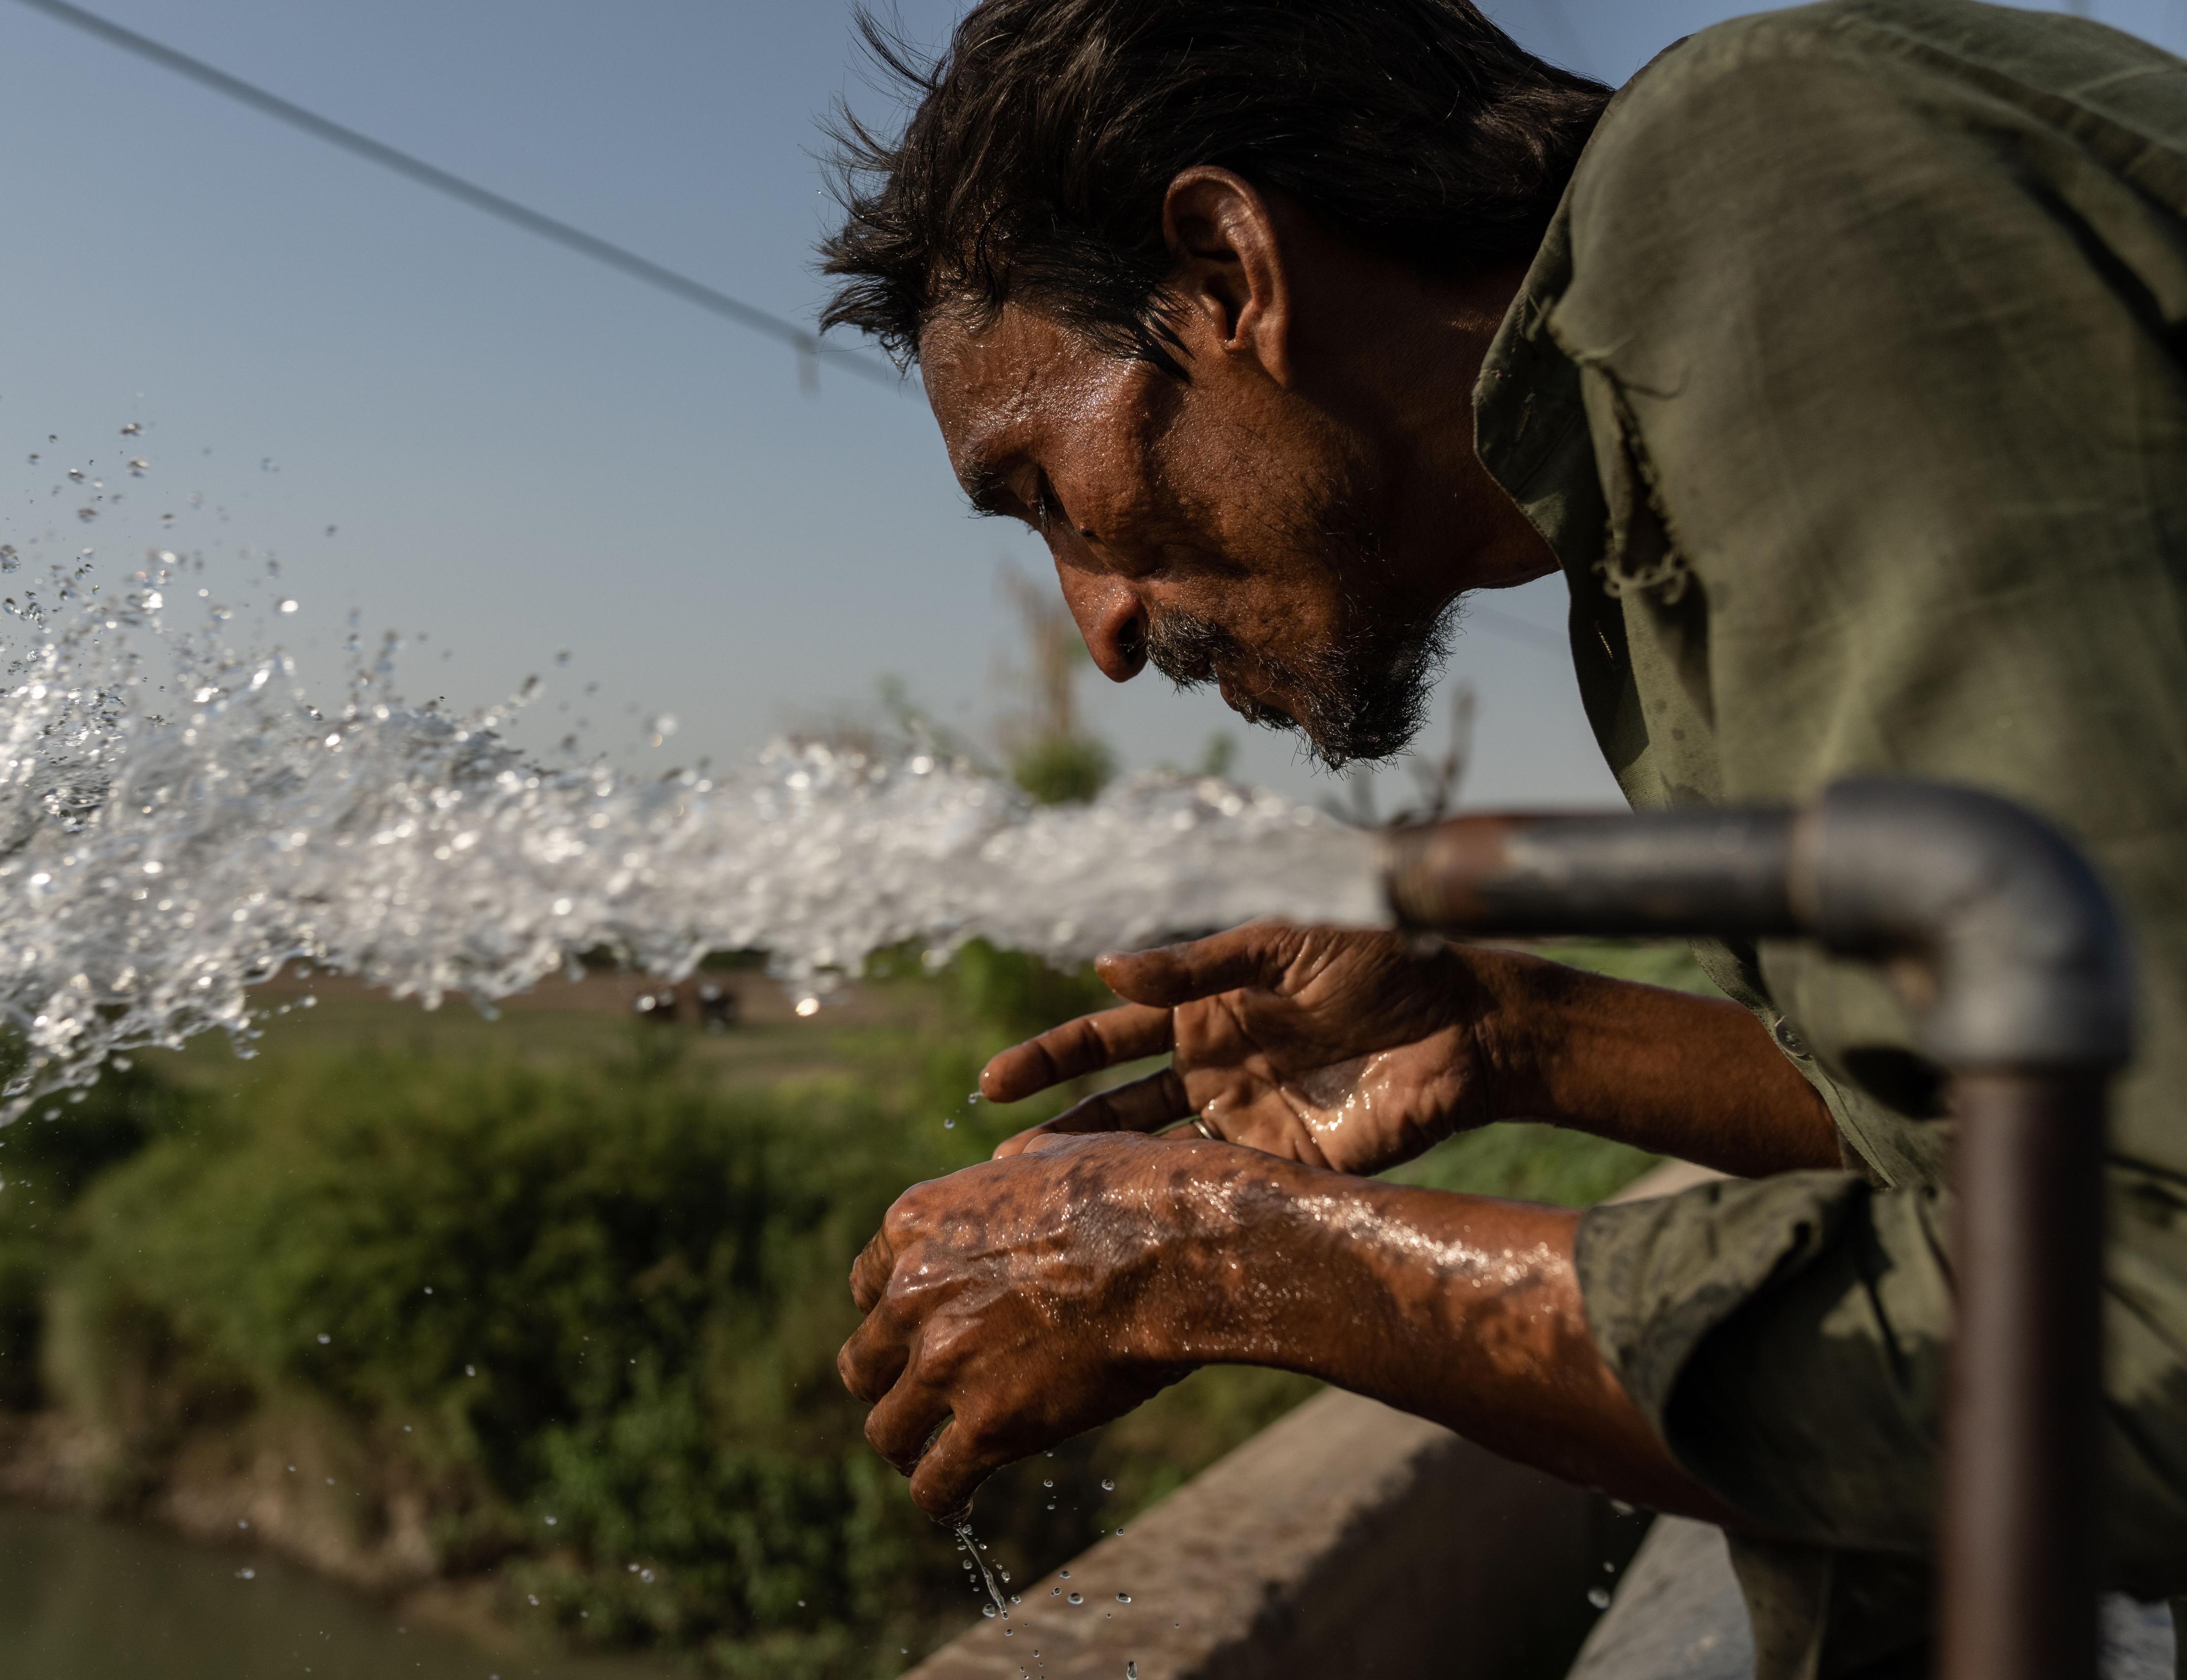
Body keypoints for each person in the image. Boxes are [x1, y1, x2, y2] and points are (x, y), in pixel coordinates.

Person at [816, 2, 2187, 1673]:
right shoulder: (1633, 531)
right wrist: (1515, 1032)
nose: (1096, 625)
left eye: (1045, 487)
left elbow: (2146, 1317)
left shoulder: (1768, 193)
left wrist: (1219, 1263)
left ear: (1228, 270)